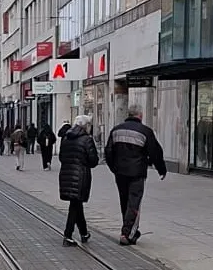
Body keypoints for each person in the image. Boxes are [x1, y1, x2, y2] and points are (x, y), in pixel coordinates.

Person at [104, 105, 167, 246]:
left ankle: (128, 229)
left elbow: (108, 151)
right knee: (134, 202)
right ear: (140, 115)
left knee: (124, 201)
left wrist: (113, 168)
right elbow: (156, 152)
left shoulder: (116, 130)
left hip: (120, 172)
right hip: (137, 172)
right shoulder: (145, 131)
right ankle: (127, 233)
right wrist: (161, 169)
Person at [58, 115, 100, 246]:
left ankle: (84, 233)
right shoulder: (87, 140)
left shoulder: (66, 138)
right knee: (75, 205)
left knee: (76, 204)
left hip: (66, 174)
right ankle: (68, 235)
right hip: (80, 176)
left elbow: (61, 157)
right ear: (86, 126)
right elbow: (94, 161)